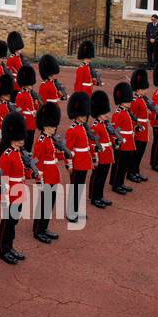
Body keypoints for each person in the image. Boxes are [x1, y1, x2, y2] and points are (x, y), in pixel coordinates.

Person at [0, 111, 31, 265]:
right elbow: (3, 180)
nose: (22, 141)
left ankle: (10, 246)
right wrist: (5, 199)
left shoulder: (20, 153)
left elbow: (23, 172)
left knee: (14, 222)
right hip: (10, 194)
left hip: (19, 191)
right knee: (7, 223)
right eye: (19, 139)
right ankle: (3, 249)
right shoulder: (6, 155)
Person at [32, 101, 63, 244]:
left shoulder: (50, 139)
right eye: (51, 126)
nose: (54, 128)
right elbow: (38, 162)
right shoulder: (41, 141)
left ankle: (42, 228)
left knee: (48, 205)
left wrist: (66, 154)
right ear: (44, 126)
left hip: (53, 175)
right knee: (44, 205)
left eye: (54, 126)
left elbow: (53, 157)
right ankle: (39, 231)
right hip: (46, 177)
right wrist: (40, 180)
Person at [64, 93, 94, 221]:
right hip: (77, 163)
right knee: (75, 189)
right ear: (76, 115)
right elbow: (68, 150)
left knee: (80, 188)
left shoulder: (83, 128)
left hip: (84, 161)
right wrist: (69, 165)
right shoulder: (72, 130)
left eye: (85, 115)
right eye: (82, 115)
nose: (84, 117)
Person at [109, 82, 137, 195]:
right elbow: (115, 130)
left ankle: (120, 182)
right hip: (122, 143)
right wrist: (116, 143)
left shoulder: (126, 111)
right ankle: (116, 184)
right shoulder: (118, 113)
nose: (130, 102)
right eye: (128, 101)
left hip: (129, 142)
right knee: (119, 165)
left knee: (124, 165)